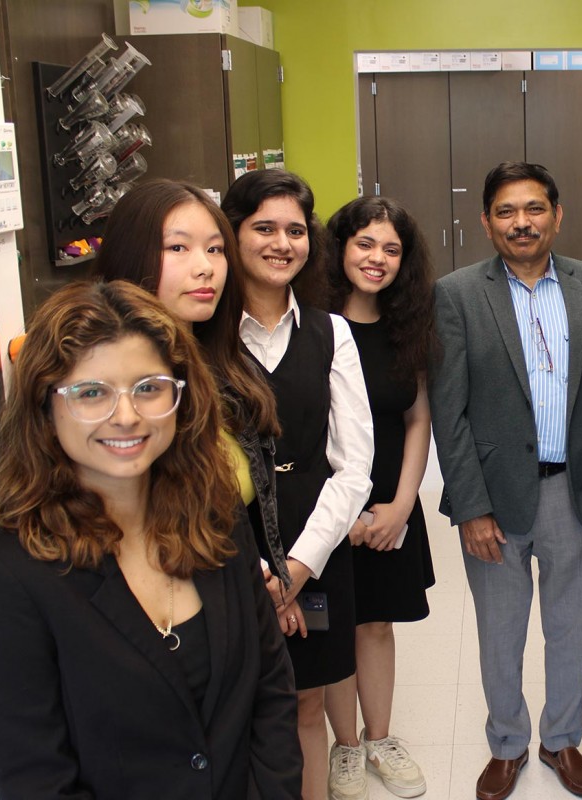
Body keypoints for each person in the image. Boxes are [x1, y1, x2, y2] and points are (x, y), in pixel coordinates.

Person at [0, 280, 301, 798]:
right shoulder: (6, 578)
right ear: (44, 409)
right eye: (91, 393)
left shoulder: (217, 518)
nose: (126, 415)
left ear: (180, 398)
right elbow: (35, 778)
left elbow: (271, 691)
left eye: (148, 387)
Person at [430, 161, 582, 800]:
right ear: (486, 221)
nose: (522, 222)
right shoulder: (457, 294)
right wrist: (470, 507)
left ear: (557, 215)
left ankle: (561, 739)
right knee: (500, 630)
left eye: (534, 208)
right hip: (494, 496)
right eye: (507, 212)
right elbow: (448, 412)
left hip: (579, 489)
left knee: (572, 625)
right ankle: (507, 744)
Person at [221, 168, 376, 800]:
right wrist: (261, 572)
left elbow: (354, 466)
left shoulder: (330, 332)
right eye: (263, 228)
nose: (281, 242)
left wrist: (297, 569)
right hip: (228, 550)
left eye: (294, 229)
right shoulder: (204, 340)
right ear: (231, 236)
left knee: (307, 701)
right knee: (241, 709)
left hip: (315, 547)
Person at [93, 179, 291, 613]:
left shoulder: (222, 368)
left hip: (229, 597)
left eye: (215, 249)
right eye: (178, 249)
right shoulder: (110, 391)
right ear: (132, 254)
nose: (205, 267)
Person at [316, 195, 438, 799]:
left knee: (377, 623)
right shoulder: (310, 323)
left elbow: (418, 420)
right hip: (321, 509)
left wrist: (399, 507)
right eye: (365, 243)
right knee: (335, 623)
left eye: (391, 249)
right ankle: (345, 747)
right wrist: (338, 517)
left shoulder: (405, 326)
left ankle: (381, 737)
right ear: (339, 247)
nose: (377, 258)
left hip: (390, 501)